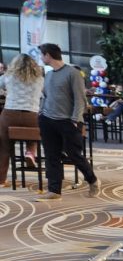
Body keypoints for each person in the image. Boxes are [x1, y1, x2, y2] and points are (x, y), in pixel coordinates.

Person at [37, 44, 98, 200]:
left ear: (48, 55)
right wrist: (41, 112)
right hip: (47, 119)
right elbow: (45, 96)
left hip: (67, 121)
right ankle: (54, 190)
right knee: (51, 155)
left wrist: (76, 120)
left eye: (42, 55)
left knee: (74, 154)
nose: (41, 58)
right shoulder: (49, 75)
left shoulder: (73, 73)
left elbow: (80, 99)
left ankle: (92, 179)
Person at [0, 54, 44, 185]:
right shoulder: (39, 79)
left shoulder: (8, 77)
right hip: (31, 115)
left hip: (10, 115)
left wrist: (5, 93)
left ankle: (1, 179)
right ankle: (30, 152)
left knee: (4, 147)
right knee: (34, 132)